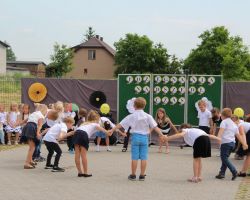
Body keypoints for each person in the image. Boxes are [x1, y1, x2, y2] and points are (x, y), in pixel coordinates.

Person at [110, 97, 165, 181]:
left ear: (134, 106)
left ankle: (133, 175)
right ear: (144, 106)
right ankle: (142, 175)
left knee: (134, 157)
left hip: (135, 137)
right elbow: (155, 127)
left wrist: (112, 130)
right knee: (144, 157)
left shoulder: (131, 116)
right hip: (144, 138)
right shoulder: (148, 116)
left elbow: (120, 124)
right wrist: (162, 135)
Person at [73, 110, 111, 177]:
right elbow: (106, 132)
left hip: (77, 133)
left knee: (77, 155)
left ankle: (80, 172)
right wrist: (110, 131)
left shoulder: (84, 123)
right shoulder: (95, 124)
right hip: (83, 135)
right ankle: (85, 172)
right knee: (83, 155)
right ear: (96, 118)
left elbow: (75, 131)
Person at [215, 108, 248, 180]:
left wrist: (218, 140)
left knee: (224, 158)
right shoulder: (233, 123)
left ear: (222, 116)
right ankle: (222, 173)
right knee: (225, 158)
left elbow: (220, 132)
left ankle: (234, 171)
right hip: (232, 144)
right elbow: (238, 135)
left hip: (225, 143)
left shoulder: (224, 122)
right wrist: (244, 144)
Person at [22, 104, 47, 169]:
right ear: (44, 110)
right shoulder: (41, 116)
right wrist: (38, 133)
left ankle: (30, 161)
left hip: (27, 127)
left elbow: (26, 120)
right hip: (32, 128)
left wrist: (18, 124)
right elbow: (40, 125)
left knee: (32, 146)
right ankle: (27, 163)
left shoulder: (34, 113)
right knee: (32, 147)